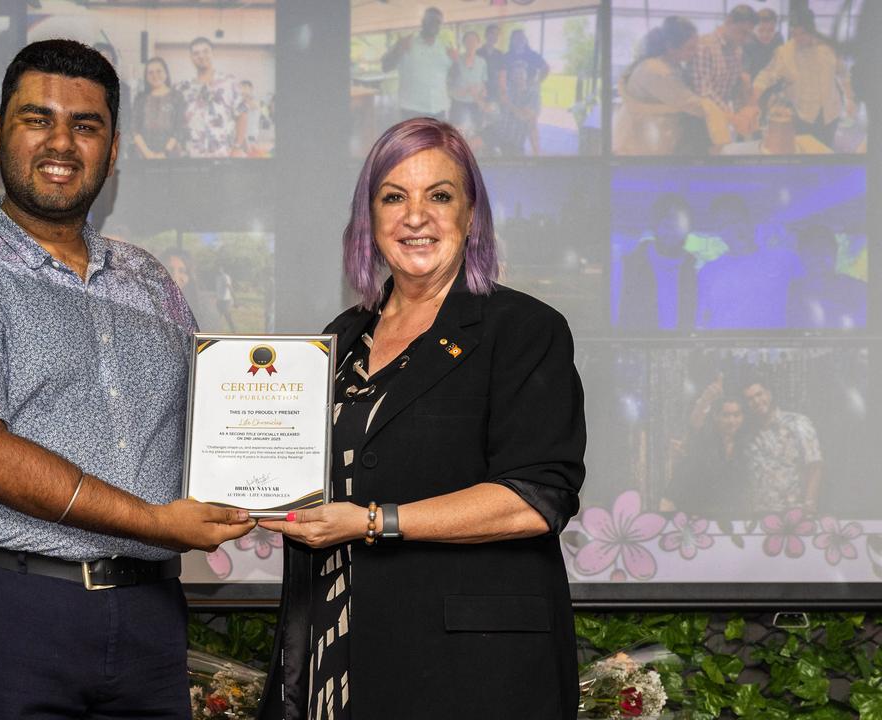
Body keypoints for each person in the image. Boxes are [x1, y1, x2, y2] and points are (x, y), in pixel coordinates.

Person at [0, 40, 254, 718]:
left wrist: (281, 475)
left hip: (145, 612)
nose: (62, 142)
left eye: (86, 126)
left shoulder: (149, 279)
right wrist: (152, 520)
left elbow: (216, 423)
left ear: (113, 151)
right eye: (38, 119)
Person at [257, 117, 585, 719]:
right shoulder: (340, 338)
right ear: (369, 219)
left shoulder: (523, 330)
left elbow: (536, 497)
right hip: (341, 640)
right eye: (393, 197)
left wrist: (376, 521)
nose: (415, 216)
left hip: (472, 672)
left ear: (470, 215)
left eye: (439, 195)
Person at [613, 17, 732, 156]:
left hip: (653, 135)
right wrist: (726, 115)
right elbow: (690, 103)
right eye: (690, 48)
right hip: (640, 139)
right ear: (671, 47)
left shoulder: (671, 65)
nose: (695, 53)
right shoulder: (656, 70)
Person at [744, 8, 857, 150]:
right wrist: (752, 103)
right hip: (803, 117)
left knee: (826, 153)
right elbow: (765, 77)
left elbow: (843, 74)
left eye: (802, 33)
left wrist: (850, 99)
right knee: (804, 154)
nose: (797, 38)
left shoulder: (829, 48)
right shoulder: (785, 53)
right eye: (794, 33)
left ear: (812, 30)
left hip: (831, 113)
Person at [695, 194, 801, 329]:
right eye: (725, 225)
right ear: (719, 232)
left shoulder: (785, 260)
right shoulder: (708, 272)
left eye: (738, 220)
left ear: (750, 221)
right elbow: (701, 321)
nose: (735, 229)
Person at [660, 375, 748, 518]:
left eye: (736, 415)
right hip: (691, 509)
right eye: (726, 415)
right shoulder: (706, 438)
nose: (731, 421)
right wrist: (705, 400)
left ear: (742, 417)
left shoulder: (746, 445)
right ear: (715, 416)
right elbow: (695, 422)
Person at [616, 193, 698, 329]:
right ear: (655, 226)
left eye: (678, 225)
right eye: (667, 225)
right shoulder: (627, 265)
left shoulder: (693, 270)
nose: (672, 232)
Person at [742, 380, 822, 514]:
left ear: (769, 394)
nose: (756, 401)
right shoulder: (749, 434)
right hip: (758, 514)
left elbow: (815, 465)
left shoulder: (797, 422)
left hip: (792, 514)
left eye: (759, 395)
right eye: (750, 399)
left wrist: (809, 506)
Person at [379, 7, 456, 122]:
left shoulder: (444, 48)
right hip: (412, 110)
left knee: (436, 141)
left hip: (439, 109)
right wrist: (398, 50)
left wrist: (455, 61)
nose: (434, 24)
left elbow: (452, 77)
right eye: (431, 20)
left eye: (438, 22)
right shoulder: (407, 42)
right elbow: (385, 67)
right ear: (423, 21)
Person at [178, 37, 248, 158]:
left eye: (206, 51)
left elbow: (242, 114)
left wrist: (237, 147)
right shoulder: (184, 88)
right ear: (191, 58)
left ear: (212, 53)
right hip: (193, 154)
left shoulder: (229, 82)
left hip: (223, 153)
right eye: (196, 53)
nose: (201, 56)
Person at [787, 224, 866, 329]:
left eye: (824, 250)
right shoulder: (793, 291)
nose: (818, 257)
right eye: (812, 251)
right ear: (801, 255)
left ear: (835, 252)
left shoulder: (859, 289)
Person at [689, 5, 757, 113]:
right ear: (729, 22)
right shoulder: (704, 46)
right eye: (743, 32)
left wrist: (745, 111)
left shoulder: (737, 50)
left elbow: (734, 88)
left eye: (749, 34)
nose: (745, 39)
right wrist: (732, 116)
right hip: (699, 118)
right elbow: (703, 93)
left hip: (722, 117)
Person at [502, 29, 549, 155]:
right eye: (516, 38)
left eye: (522, 37)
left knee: (531, 122)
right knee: (513, 119)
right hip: (513, 92)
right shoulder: (507, 56)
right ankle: (512, 148)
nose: (519, 40)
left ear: (525, 40)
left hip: (529, 92)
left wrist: (537, 82)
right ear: (511, 40)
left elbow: (546, 68)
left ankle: (536, 153)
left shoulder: (532, 54)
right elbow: (502, 74)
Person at [131, 57, 184, 159]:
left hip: (171, 154)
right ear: (146, 77)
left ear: (166, 73)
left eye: (159, 71)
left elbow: (179, 127)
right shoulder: (140, 98)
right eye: (150, 72)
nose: (155, 75)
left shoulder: (177, 96)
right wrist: (147, 153)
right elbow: (134, 128)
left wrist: (165, 153)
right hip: (142, 155)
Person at [447, 30, 488, 143]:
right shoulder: (456, 59)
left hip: (476, 102)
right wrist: (459, 91)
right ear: (464, 43)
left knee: (476, 133)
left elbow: (484, 83)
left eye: (474, 41)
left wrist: (482, 93)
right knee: (457, 134)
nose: (471, 43)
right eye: (468, 40)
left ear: (478, 43)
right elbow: (448, 82)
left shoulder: (482, 62)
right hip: (459, 102)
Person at [743, 9, 784, 79]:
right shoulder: (746, 43)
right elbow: (745, 74)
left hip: (773, 81)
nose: (765, 35)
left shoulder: (778, 40)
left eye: (771, 30)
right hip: (752, 83)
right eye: (761, 30)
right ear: (753, 29)